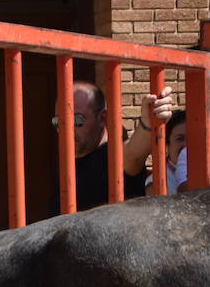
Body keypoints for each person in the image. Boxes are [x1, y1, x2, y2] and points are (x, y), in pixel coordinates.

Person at [45, 82, 175, 217]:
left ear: (102, 118)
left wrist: (149, 123)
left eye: (77, 120)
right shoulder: (69, 167)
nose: (66, 129)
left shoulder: (113, 158)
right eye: (59, 122)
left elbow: (135, 152)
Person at [145, 108, 187, 194]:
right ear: (167, 145)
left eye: (192, 138)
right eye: (180, 139)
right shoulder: (155, 183)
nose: (186, 145)